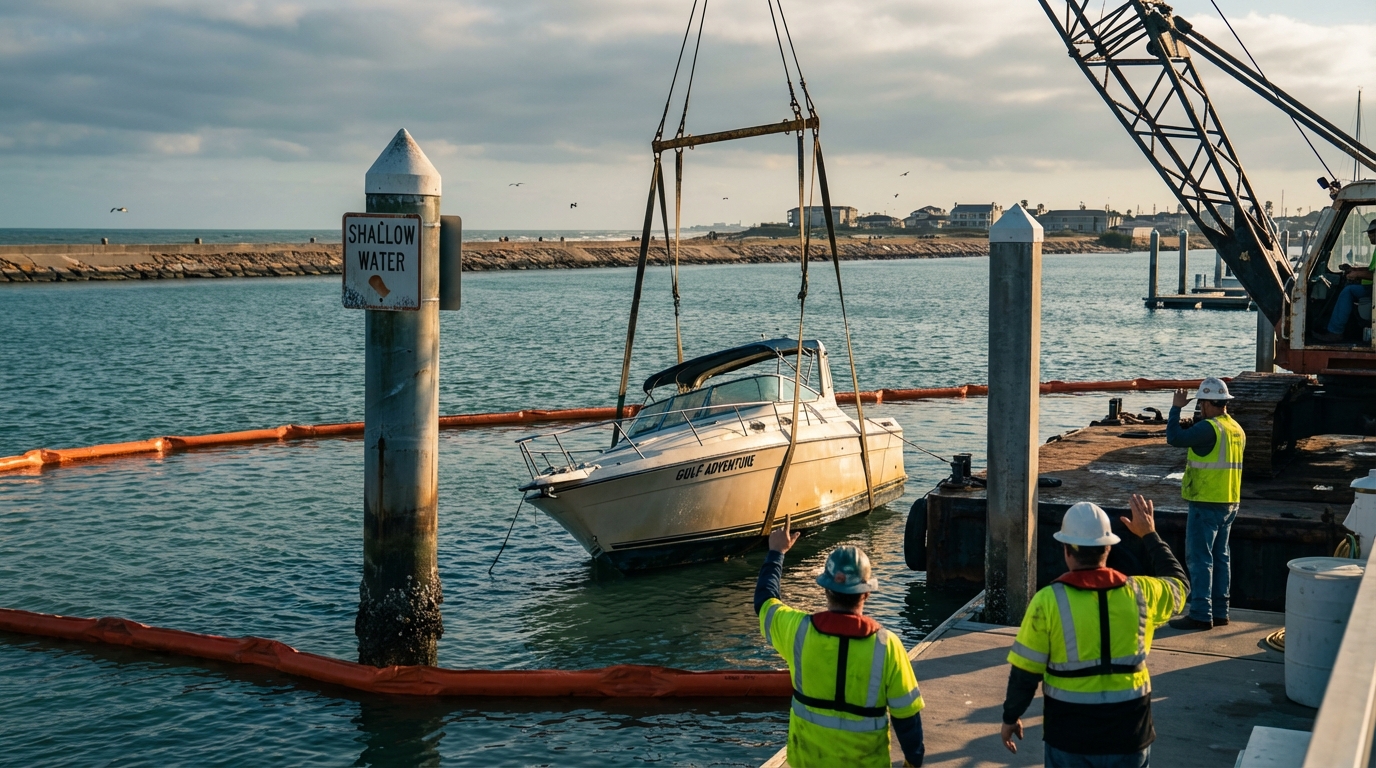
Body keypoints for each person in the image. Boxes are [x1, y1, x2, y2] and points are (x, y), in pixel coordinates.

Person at [1001, 496, 1188, 767]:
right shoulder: (1141, 593)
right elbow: (1179, 583)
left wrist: (1010, 717)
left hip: (1070, 738)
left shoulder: (1048, 601)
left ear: (1066, 549)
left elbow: (1024, 675)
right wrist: (1149, 534)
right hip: (1131, 734)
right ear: (1108, 550)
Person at [755, 515, 925, 767]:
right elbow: (907, 721)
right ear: (866, 593)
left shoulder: (798, 632)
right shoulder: (887, 646)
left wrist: (777, 552)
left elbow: (764, 601)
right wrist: (913, 763)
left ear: (825, 588)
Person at [1166, 376, 1245, 630]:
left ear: (1208, 403)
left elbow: (1174, 437)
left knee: (1200, 558)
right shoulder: (1236, 428)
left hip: (1206, 502)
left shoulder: (1208, 428)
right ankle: (1220, 612)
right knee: (1221, 557)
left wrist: (1177, 407)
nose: (1200, 409)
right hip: (1230, 501)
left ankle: (1201, 613)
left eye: (1200, 404)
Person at [1316, 218, 1376, 342]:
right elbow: (1371, 269)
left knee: (1348, 291)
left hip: (1372, 289)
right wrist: (1354, 269)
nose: (1369, 236)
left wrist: (1357, 274)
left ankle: (1335, 332)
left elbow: (1373, 275)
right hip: (1371, 287)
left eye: (1371, 233)